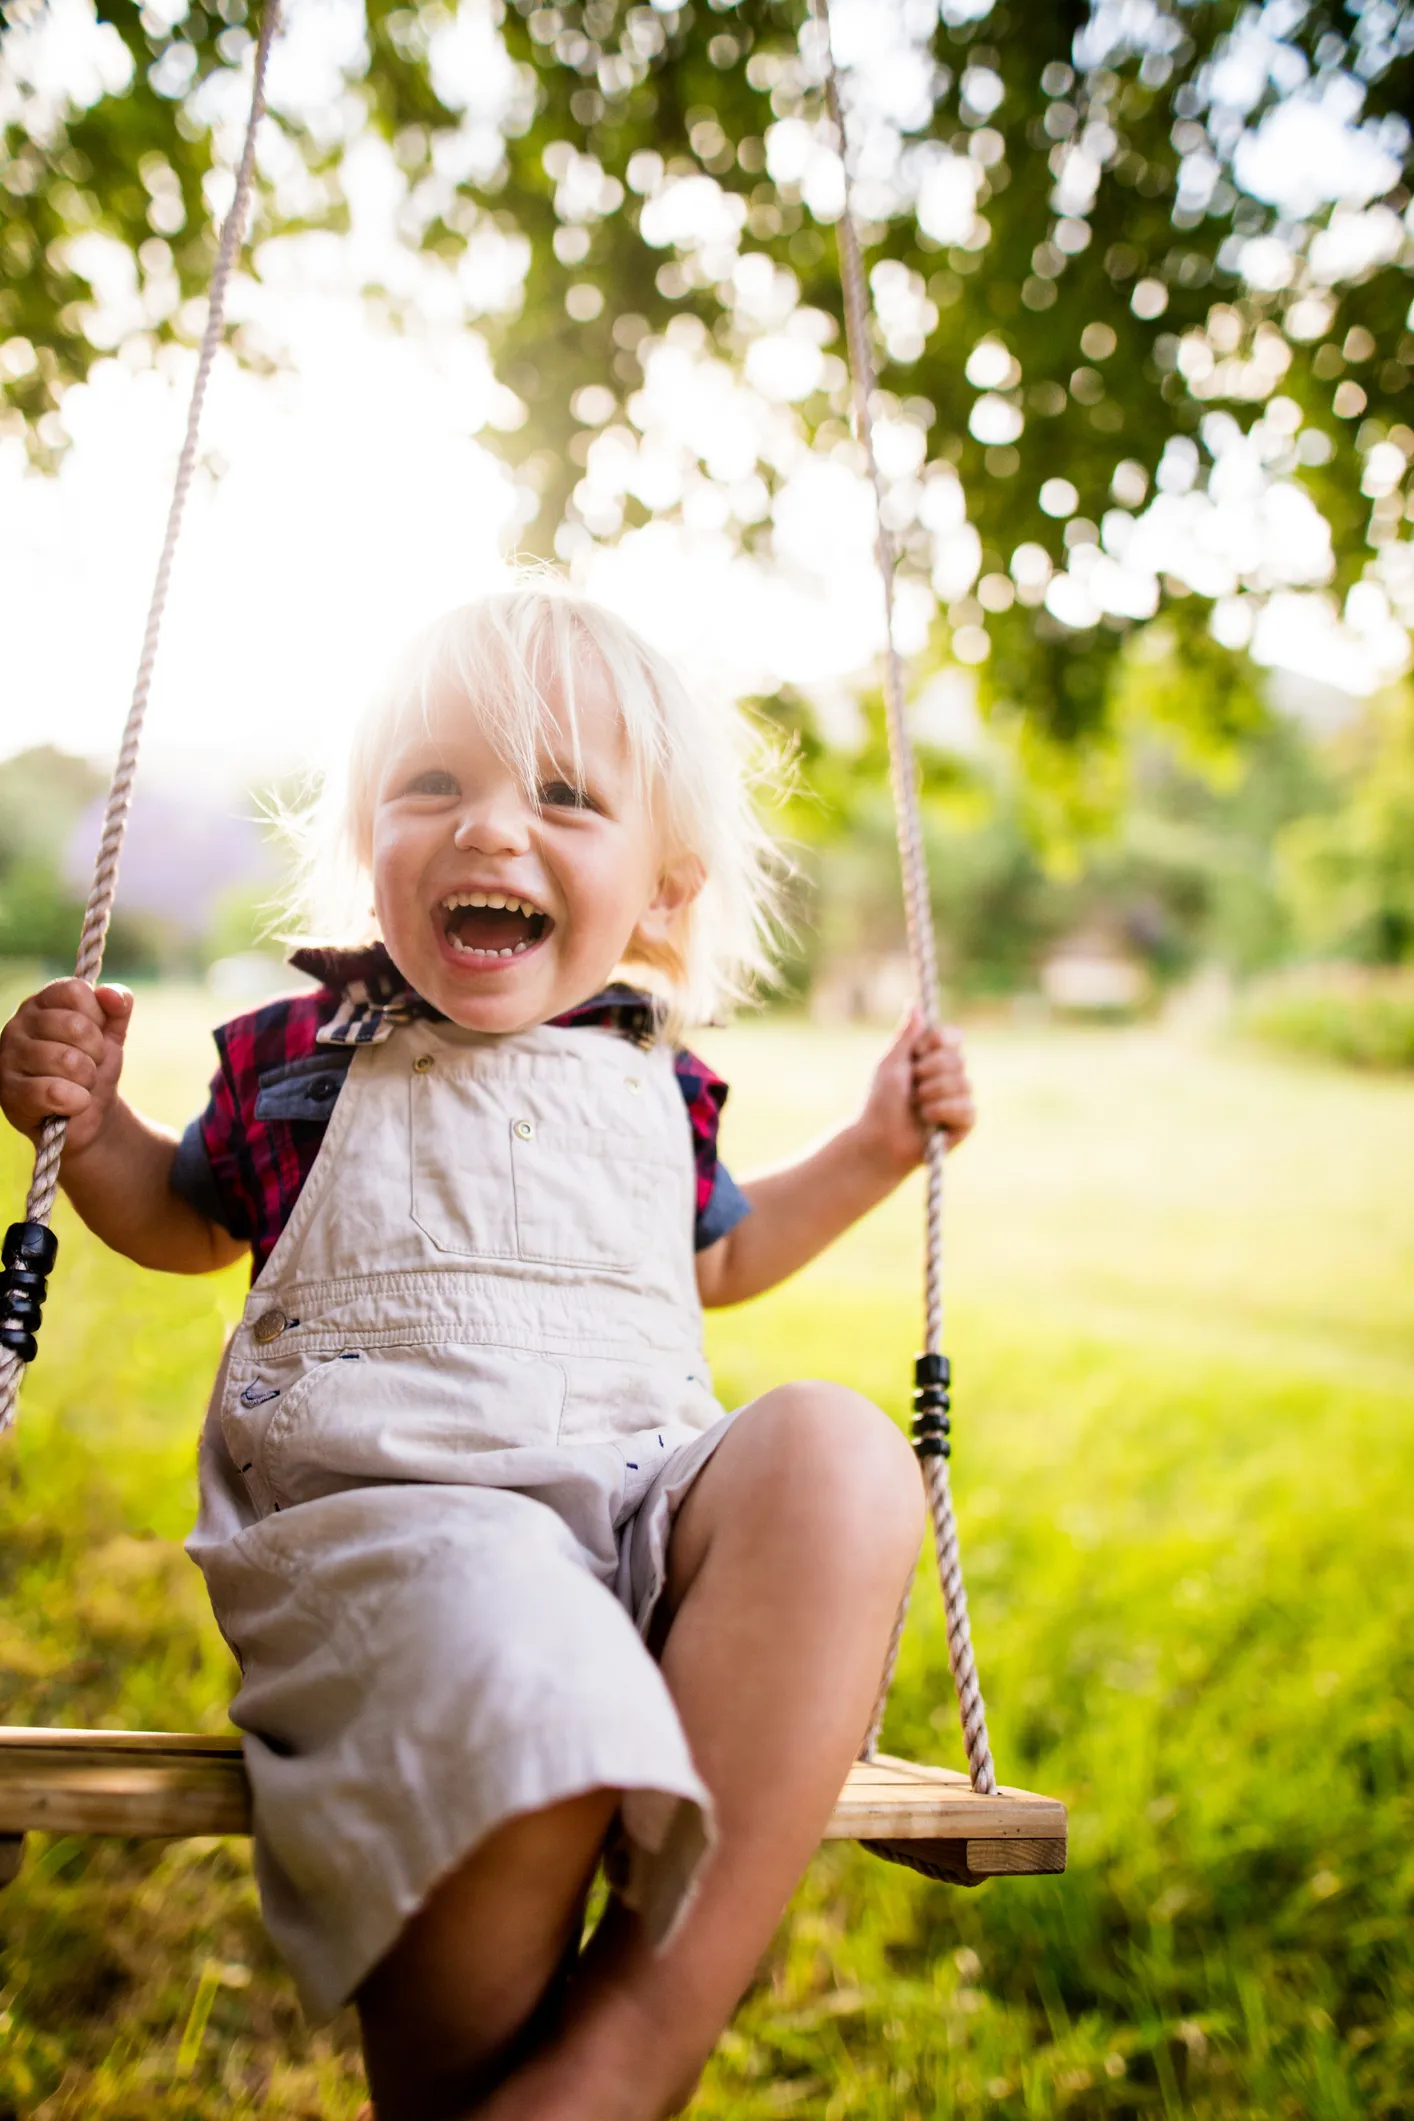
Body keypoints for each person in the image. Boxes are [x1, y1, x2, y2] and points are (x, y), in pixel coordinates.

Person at [0, 581, 976, 2121]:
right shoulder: (299, 1063)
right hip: (401, 1544)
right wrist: (90, 1121)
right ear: (366, 841)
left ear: (660, 892)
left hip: (645, 1533)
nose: (489, 829)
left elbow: (721, 1256)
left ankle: (633, 2042)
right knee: (515, 1644)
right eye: (431, 784)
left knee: (838, 1453)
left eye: (564, 796)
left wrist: (870, 1149)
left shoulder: (664, 1086)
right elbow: (184, 1219)